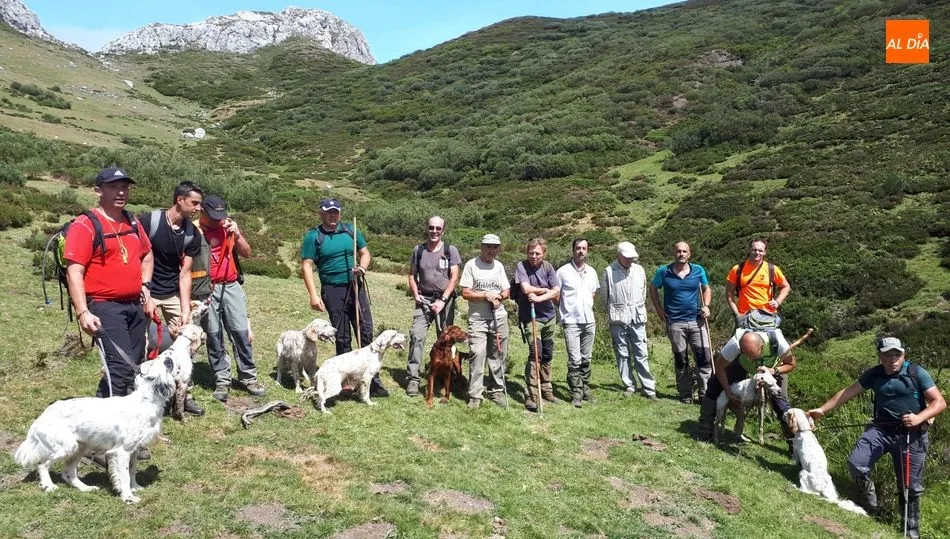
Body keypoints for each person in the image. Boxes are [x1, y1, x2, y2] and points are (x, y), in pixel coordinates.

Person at [808, 338, 945, 537]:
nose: (893, 359)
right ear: (880, 356)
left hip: (911, 434)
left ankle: (910, 532)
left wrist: (919, 418)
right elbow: (848, 392)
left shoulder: (916, 373)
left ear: (903, 355)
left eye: (897, 354)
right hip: (880, 430)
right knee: (857, 463)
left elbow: (939, 402)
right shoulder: (875, 373)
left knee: (910, 487)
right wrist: (821, 410)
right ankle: (869, 504)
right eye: (888, 354)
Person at [64, 166, 153, 399]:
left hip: (134, 304)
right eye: (113, 187)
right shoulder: (85, 225)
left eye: (124, 187)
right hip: (104, 306)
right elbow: (74, 271)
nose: (121, 192)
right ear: (98, 191)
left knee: (135, 364)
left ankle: (116, 413)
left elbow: (147, 255)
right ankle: (109, 418)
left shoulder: (132, 222)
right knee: (119, 367)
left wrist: (146, 286)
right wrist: (83, 312)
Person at [300, 198, 388, 396]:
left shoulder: (350, 230)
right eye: (329, 212)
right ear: (321, 213)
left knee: (365, 331)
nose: (333, 215)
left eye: (336, 212)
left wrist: (362, 268)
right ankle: (346, 381)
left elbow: (365, 253)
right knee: (342, 335)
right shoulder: (313, 236)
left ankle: (372, 380)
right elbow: (307, 265)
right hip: (332, 289)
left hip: (356, 285)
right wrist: (313, 295)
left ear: (339, 213)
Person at [138, 181, 204, 416]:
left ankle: (185, 394)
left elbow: (185, 273)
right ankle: (142, 393)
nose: (198, 208)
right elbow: (136, 258)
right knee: (141, 343)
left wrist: (185, 309)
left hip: (172, 292)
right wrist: (144, 293)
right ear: (179, 200)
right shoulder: (149, 222)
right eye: (194, 203)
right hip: (145, 290)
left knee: (186, 344)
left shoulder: (192, 234)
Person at [199, 195, 266, 402]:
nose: (217, 220)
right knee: (213, 334)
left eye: (220, 215)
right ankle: (222, 379)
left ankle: (248, 377)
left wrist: (237, 234)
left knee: (241, 333)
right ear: (202, 212)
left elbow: (247, 253)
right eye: (213, 216)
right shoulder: (194, 230)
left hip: (231, 285)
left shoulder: (228, 227)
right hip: (206, 289)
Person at [695, 329, 796, 442]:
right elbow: (719, 367)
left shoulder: (779, 342)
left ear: (762, 346)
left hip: (773, 369)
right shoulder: (735, 343)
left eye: (753, 355)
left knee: (781, 404)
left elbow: (791, 365)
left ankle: (794, 441)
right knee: (714, 384)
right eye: (746, 354)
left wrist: (772, 371)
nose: (750, 359)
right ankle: (705, 428)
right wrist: (728, 392)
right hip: (742, 365)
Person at [405, 216, 461, 397]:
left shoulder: (450, 250)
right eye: (431, 227)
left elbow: (454, 277)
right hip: (424, 300)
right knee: (417, 335)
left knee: (445, 340)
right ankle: (413, 379)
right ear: (427, 228)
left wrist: (442, 300)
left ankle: (446, 376)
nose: (434, 231)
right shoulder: (418, 250)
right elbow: (412, 275)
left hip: (445, 301)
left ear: (443, 230)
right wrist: (416, 295)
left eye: (438, 228)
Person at [649, 241, 711, 404]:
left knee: (704, 357)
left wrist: (706, 306)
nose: (681, 254)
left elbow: (706, 288)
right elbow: (652, 288)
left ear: (689, 254)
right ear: (674, 253)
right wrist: (659, 309)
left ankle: (705, 394)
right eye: (678, 251)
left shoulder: (698, 270)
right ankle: (685, 393)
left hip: (697, 320)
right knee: (681, 358)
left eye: (684, 251)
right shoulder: (663, 271)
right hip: (675, 322)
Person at [460, 233, 510, 409]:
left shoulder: (499, 266)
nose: (491, 250)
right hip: (478, 319)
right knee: (478, 353)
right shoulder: (471, 265)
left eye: (495, 247)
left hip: (499, 317)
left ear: (498, 249)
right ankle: (475, 395)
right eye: (488, 246)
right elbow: (466, 293)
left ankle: (496, 390)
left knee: (498, 354)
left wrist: (499, 297)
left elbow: (506, 291)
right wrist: (485, 295)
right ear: (482, 247)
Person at [602, 241, 657, 401]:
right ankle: (629, 384)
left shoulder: (639, 270)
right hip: (618, 319)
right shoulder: (608, 271)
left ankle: (649, 388)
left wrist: (636, 308)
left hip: (637, 317)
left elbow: (643, 292)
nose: (629, 260)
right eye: (626, 257)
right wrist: (614, 311)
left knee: (641, 352)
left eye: (631, 257)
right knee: (622, 353)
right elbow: (605, 297)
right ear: (618, 255)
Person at [513, 238, 560, 411]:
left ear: (544, 254)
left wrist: (540, 297)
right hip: (530, 317)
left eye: (537, 253)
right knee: (535, 353)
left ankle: (546, 389)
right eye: (531, 253)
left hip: (549, 317)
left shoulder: (548, 267)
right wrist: (545, 290)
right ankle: (532, 394)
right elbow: (525, 289)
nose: (534, 256)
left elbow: (557, 290)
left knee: (547, 353)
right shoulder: (522, 266)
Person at [557, 238, 600, 408]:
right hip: (571, 321)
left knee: (586, 357)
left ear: (587, 251)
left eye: (584, 248)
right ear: (572, 250)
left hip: (589, 320)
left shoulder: (592, 272)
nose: (581, 251)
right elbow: (556, 295)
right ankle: (576, 391)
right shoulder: (563, 272)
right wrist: (566, 311)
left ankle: (585, 388)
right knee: (574, 359)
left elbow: (593, 293)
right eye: (578, 248)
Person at [726, 238, 790, 328]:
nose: (757, 253)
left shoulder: (772, 269)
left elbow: (786, 286)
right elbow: (729, 294)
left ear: (765, 252)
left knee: (773, 337)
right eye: (754, 250)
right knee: (739, 338)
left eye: (760, 250)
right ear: (749, 250)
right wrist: (737, 314)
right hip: (744, 315)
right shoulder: (737, 269)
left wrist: (778, 301)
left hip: (768, 315)